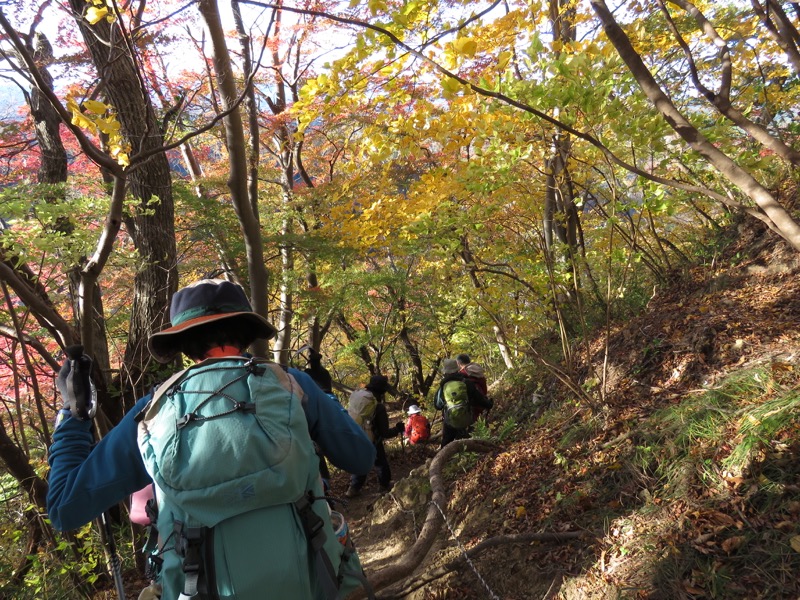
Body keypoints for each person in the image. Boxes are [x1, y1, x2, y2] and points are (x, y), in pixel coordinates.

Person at [47, 279, 376, 600]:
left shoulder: (154, 410)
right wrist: (322, 399)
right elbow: (361, 458)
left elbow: (64, 508)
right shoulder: (291, 385)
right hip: (312, 583)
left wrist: (72, 415)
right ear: (247, 333)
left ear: (183, 344)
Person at [346, 374, 403, 497]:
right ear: (382, 391)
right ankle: (384, 485)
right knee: (380, 461)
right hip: (371, 439)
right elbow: (385, 433)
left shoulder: (359, 399)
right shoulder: (378, 407)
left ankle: (353, 489)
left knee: (361, 462)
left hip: (355, 434)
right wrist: (398, 429)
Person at [434, 358, 493, 448]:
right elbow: (479, 399)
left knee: (446, 441)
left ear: (445, 372)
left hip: (450, 421)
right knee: (473, 438)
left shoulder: (443, 387)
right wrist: (489, 404)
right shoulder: (467, 382)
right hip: (468, 418)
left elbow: (437, 405)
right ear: (457, 369)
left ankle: (446, 457)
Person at [456, 353, 491, 422]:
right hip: (482, 401)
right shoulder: (478, 370)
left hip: (471, 405)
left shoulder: (462, 375)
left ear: (458, 363)